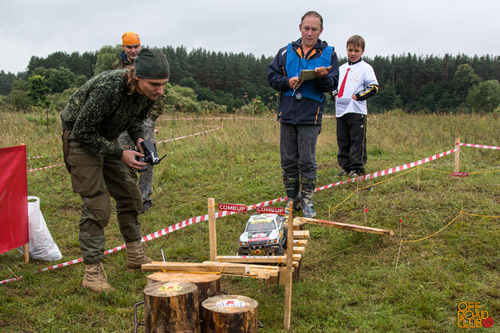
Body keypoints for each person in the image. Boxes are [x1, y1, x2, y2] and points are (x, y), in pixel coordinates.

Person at [61, 48, 170, 292]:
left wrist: (140, 139)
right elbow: (83, 131)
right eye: (155, 84)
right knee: (97, 204)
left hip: (106, 136)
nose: (160, 90)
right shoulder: (109, 88)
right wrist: (121, 153)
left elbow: (134, 120)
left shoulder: (147, 94)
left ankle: (135, 256)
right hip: (80, 139)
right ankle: (92, 274)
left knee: (131, 197)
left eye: (164, 84)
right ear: (138, 77)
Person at [268, 11, 339, 218]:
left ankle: (307, 200)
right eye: (306, 28)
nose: (309, 33)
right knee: (288, 160)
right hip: (288, 114)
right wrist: (286, 82)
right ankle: (292, 199)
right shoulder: (284, 52)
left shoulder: (329, 54)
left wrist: (322, 78)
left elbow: (332, 84)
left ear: (321, 31)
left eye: (314, 29)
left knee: (307, 160)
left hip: (311, 115)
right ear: (300, 28)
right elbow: (271, 76)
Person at [112, 32, 166, 214]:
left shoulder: (150, 64)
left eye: (136, 47)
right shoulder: (116, 67)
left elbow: (159, 93)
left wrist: (151, 117)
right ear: (123, 48)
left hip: (145, 118)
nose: (133, 50)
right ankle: (127, 195)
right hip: (122, 117)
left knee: (147, 153)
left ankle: (144, 196)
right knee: (124, 155)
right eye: (130, 47)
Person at [332, 35, 379, 177]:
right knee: (343, 139)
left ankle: (357, 167)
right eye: (350, 50)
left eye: (356, 51)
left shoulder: (366, 68)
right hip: (341, 110)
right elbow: (332, 84)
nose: (353, 53)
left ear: (362, 51)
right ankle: (345, 166)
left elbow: (374, 87)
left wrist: (357, 97)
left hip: (356, 110)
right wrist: (334, 95)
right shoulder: (340, 68)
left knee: (356, 139)